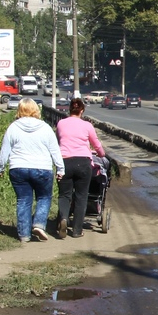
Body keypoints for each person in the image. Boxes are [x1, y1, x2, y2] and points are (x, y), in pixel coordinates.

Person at [0, 98, 64, 242]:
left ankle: (24, 235)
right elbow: (55, 150)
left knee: (23, 200)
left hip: (18, 168)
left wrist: (0, 168)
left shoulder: (13, 127)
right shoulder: (45, 127)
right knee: (44, 197)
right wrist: (60, 169)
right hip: (42, 168)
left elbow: (4, 151)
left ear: (19, 110)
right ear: (36, 110)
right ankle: (39, 224)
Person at [54, 97, 106, 239]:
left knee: (65, 195)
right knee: (81, 197)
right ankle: (77, 230)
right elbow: (96, 144)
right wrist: (101, 154)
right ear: (82, 110)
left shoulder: (61, 123)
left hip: (65, 162)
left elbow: (59, 141)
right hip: (83, 163)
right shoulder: (87, 125)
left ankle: (64, 218)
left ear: (70, 109)